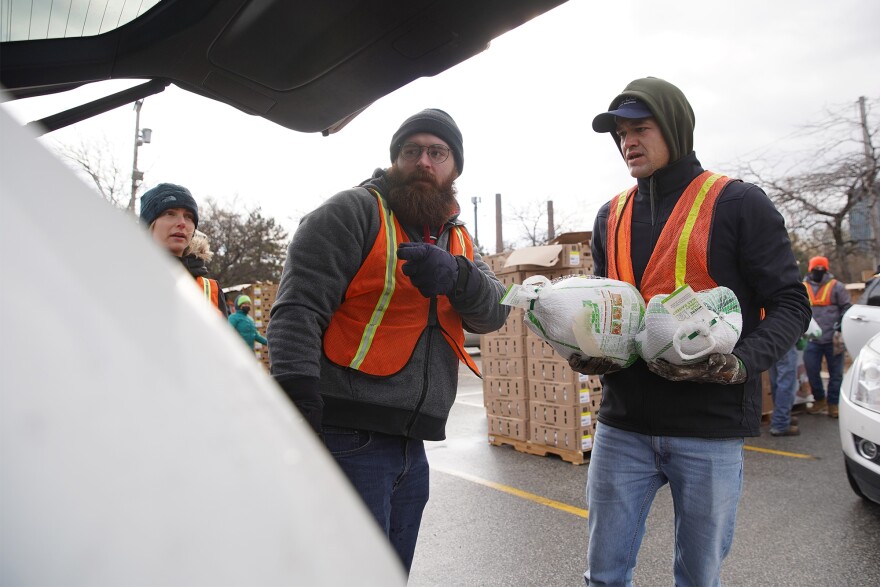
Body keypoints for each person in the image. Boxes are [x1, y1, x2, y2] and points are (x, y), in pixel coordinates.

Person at [570, 77, 811, 586]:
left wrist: (743, 361)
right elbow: (611, 308)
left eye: (640, 128)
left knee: (699, 578)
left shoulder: (738, 203)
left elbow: (791, 302)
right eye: (619, 133)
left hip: (709, 428)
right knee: (603, 576)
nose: (626, 142)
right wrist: (589, 348)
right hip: (623, 426)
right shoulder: (608, 216)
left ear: (675, 128)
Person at [266, 108, 510, 573]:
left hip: (411, 445)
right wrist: (298, 405)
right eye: (410, 151)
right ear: (394, 160)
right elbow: (297, 309)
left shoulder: (456, 236)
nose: (423, 161)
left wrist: (458, 276)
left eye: (437, 153)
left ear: (454, 168)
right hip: (345, 435)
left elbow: (494, 311)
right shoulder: (353, 212)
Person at [140, 183, 228, 317]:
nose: (182, 223)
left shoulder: (210, 290)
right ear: (149, 224)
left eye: (188, 216)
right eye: (170, 213)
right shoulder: (122, 280)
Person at [803, 256, 851, 418]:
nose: (818, 271)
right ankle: (819, 400)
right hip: (811, 339)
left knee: (835, 373)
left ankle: (833, 404)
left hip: (833, 338)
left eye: (820, 268)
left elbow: (846, 308)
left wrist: (841, 326)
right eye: (815, 268)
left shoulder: (837, 287)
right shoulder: (803, 287)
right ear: (810, 269)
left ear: (826, 269)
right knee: (811, 371)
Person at [769, 345, 801, 436]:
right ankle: (780, 423)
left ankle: (780, 417)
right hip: (785, 339)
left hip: (770, 341)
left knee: (776, 382)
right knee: (786, 383)